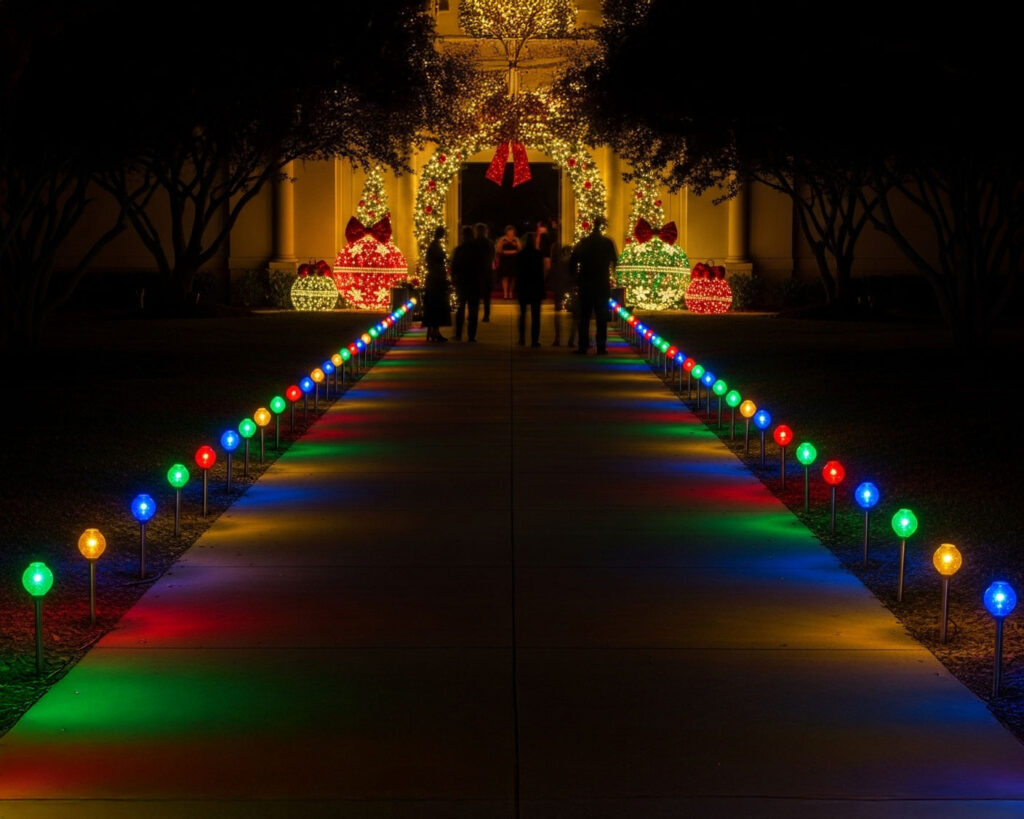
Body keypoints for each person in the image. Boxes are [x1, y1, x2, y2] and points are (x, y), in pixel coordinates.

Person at [568, 216, 617, 355]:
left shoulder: (584, 243)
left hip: (586, 284)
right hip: (601, 284)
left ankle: (583, 346)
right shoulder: (607, 243)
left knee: (584, 317)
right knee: (601, 318)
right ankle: (601, 346)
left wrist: (575, 278)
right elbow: (615, 261)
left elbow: (573, 261)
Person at [450, 225, 481, 342]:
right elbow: (481, 266)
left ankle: (458, 334)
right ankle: (471, 335)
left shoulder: (460, 250)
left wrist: (454, 278)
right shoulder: (477, 250)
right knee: (473, 310)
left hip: (463, 282)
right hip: (474, 282)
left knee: (460, 309)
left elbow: (454, 266)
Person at [515, 230, 545, 347]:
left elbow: (517, 270)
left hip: (524, 286)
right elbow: (541, 271)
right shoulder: (538, 255)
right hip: (536, 286)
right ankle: (534, 340)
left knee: (523, 314)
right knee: (536, 316)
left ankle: (522, 338)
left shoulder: (520, 255)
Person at [421, 225, 451, 342]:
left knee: (435, 304)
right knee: (437, 304)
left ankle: (435, 331)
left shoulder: (434, 245)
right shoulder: (435, 246)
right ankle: (435, 331)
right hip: (436, 278)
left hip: (434, 277)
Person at [545, 227, 573, 346]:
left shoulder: (558, 265)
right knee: (574, 317)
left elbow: (550, 277)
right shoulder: (572, 265)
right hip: (570, 289)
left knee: (557, 316)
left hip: (559, 289)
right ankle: (571, 339)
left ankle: (557, 338)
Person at [474, 223, 494, 322]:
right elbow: (492, 256)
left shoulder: (474, 243)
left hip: (477, 273)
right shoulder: (489, 243)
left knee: (475, 297)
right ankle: (486, 315)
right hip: (486, 272)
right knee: (486, 297)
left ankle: (474, 315)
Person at [495, 224, 519, 300]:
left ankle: (511, 293)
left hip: (514, 261)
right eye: (509, 232)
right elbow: (498, 250)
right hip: (504, 260)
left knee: (513, 278)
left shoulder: (516, 240)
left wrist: (516, 245)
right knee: (505, 277)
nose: (510, 233)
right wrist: (501, 245)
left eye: (512, 232)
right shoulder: (502, 239)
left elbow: (520, 250)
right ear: (506, 232)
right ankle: (505, 293)